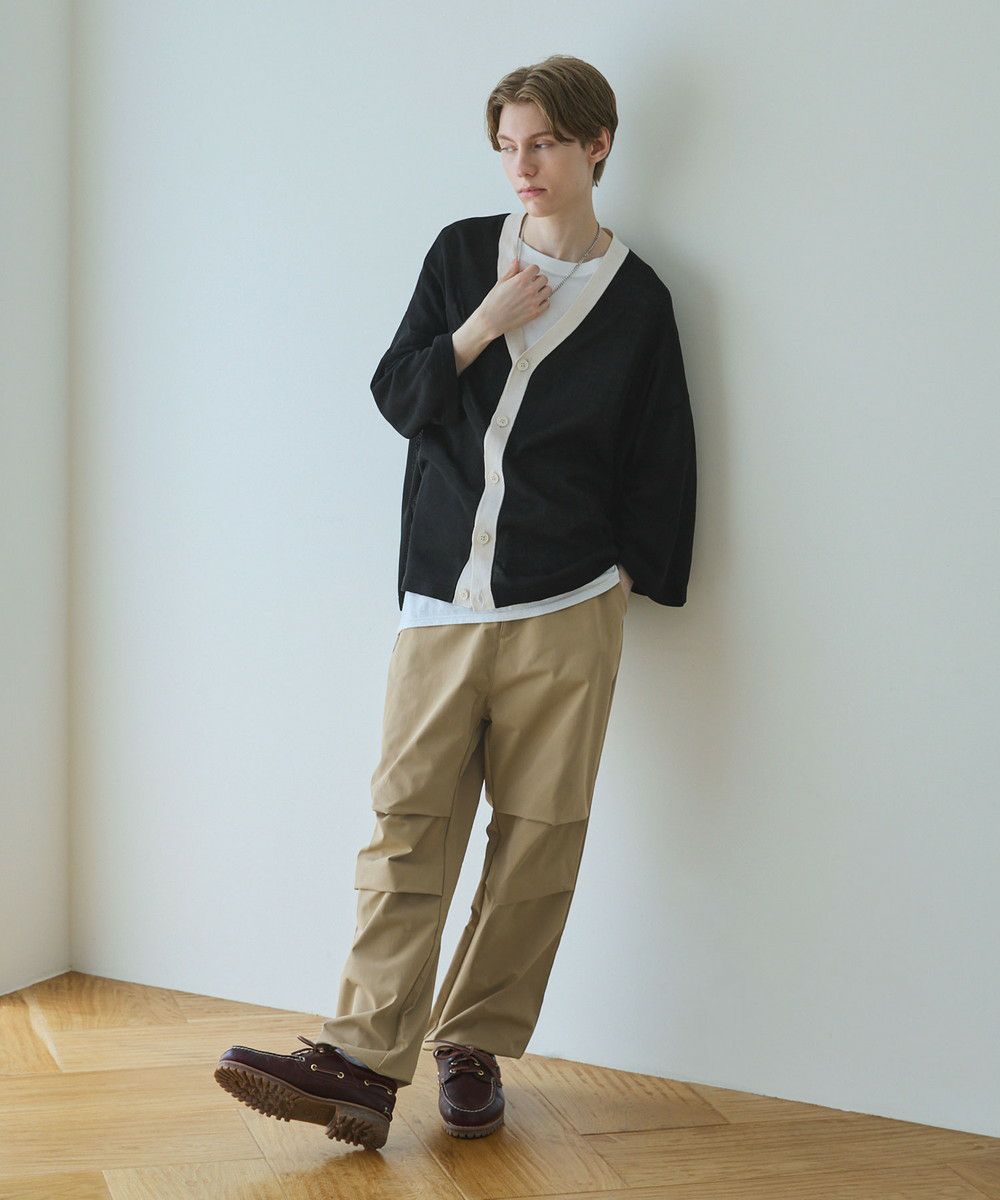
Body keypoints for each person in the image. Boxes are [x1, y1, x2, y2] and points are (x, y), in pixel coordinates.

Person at [215, 53, 697, 1152]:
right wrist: (480, 323)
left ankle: (471, 1044)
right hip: (443, 598)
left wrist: (627, 577)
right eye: (508, 146)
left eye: (544, 144)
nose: (523, 165)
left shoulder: (639, 300)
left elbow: (659, 454)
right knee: (406, 826)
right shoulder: (460, 255)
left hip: (568, 603)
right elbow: (399, 395)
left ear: (597, 146)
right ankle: (360, 1063)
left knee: (539, 838)